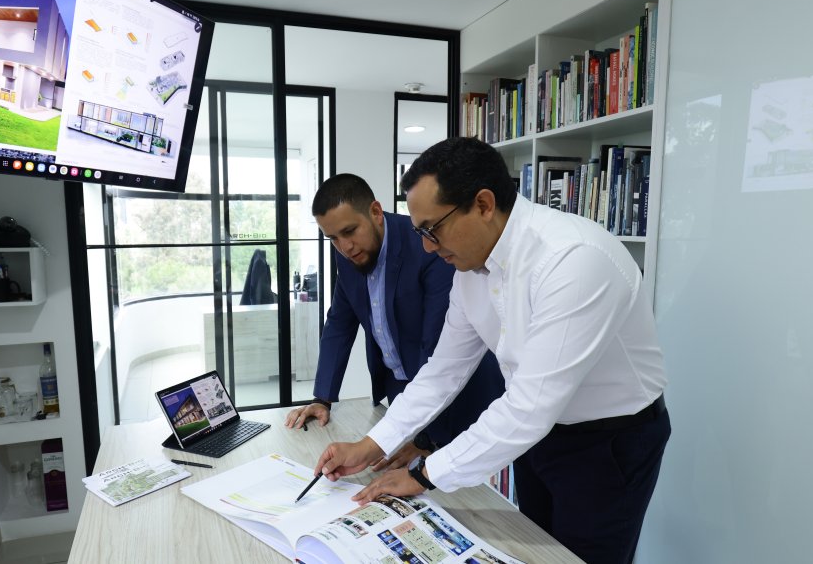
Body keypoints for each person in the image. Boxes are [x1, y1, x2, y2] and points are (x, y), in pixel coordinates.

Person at [315, 138, 670, 564]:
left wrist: (424, 475)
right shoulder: (469, 268)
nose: (427, 246)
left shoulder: (573, 259)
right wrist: (373, 444)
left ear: (483, 204)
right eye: (419, 233)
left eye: (431, 229)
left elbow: (528, 408)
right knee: (535, 549)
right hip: (539, 436)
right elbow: (443, 370)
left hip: (608, 443)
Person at [285, 173, 504, 468]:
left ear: (375, 212)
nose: (345, 246)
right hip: (400, 390)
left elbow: (439, 351)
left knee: (460, 478)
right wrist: (322, 398)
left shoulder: (426, 245)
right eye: (333, 238)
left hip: (459, 394)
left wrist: (425, 439)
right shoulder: (348, 255)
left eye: (350, 231)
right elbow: (339, 322)